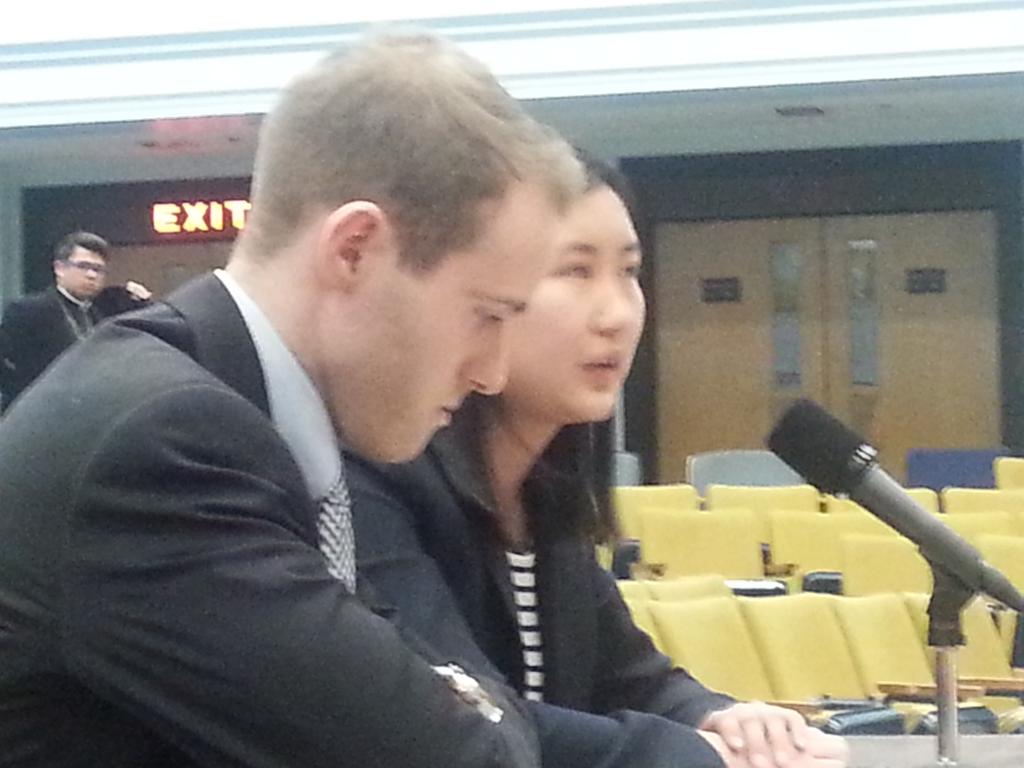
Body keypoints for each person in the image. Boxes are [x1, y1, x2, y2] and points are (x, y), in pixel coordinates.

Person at [0, 33, 583, 767]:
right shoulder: (164, 447)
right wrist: (468, 706)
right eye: (487, 315)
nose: (493, 373)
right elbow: (455, 755)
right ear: (354, 250)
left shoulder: (252, 421)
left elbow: (448, 704)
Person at [347, 152, 850, 768]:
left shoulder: (546, 503)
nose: (617, 314)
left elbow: (636, 679)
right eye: (575, 271)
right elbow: (466, 713)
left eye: (629, 272)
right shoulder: (380, 479)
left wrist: (725, 719)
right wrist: (693, 754)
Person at [0, 231, 150, 411]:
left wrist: (142, 300)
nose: (92, 275)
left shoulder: (108, 308)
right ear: (59, 268)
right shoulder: (27, 311)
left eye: (99, 269)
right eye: (83, 266)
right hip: (41, 410)